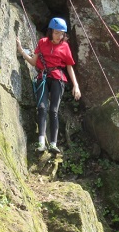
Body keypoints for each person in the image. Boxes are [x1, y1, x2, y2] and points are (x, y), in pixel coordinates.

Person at [16, 17, 81, 153]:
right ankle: (41, 143)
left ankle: (53, 144)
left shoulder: (65, 46)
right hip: (43, 77)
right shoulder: (42, 42)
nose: (59, 36)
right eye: (56, 33)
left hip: (58, 78)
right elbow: (34, 62)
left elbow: (69, 67)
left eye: (62, 34)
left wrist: (76, 86)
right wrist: (21, 51)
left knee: (53, 110)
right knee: (41, 107)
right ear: (51, 31)